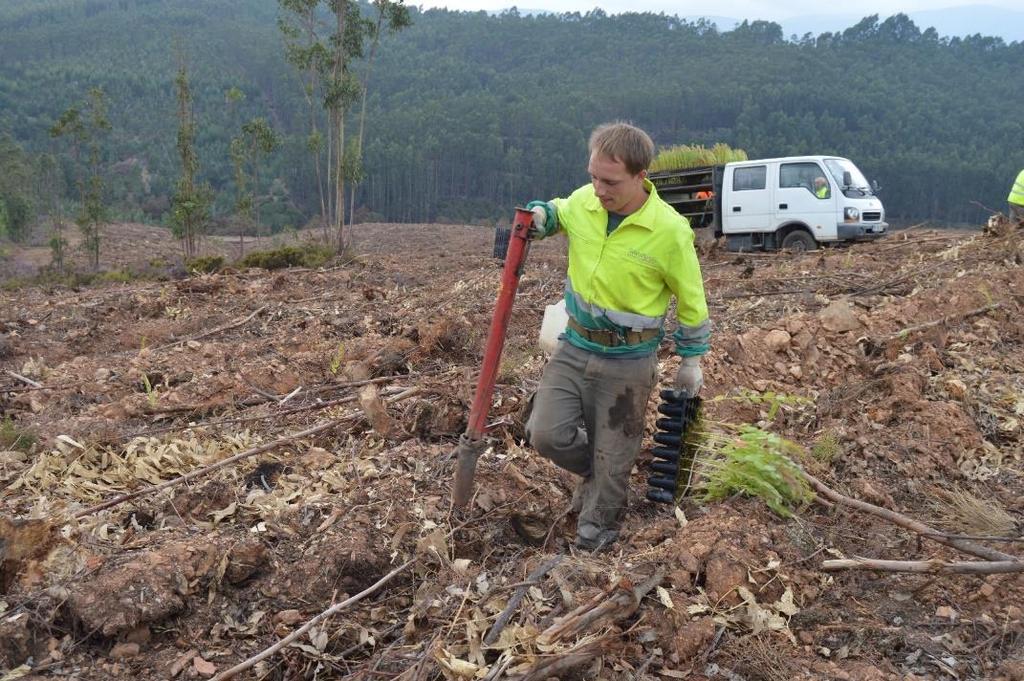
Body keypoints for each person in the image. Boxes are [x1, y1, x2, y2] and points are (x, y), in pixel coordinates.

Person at [524, 122, 710, 551]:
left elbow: (691, 298)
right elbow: (557, 211)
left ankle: (596, 537)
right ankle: (600, 471)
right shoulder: (585, 202)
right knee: (545, 432)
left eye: (609, 181)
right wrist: (540, 216)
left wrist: (691, 361)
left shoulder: (669, 230)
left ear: (640, 176)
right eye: (593, 176)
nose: (598, 188)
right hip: (574, 346)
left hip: (628, 363)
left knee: (616, 456)